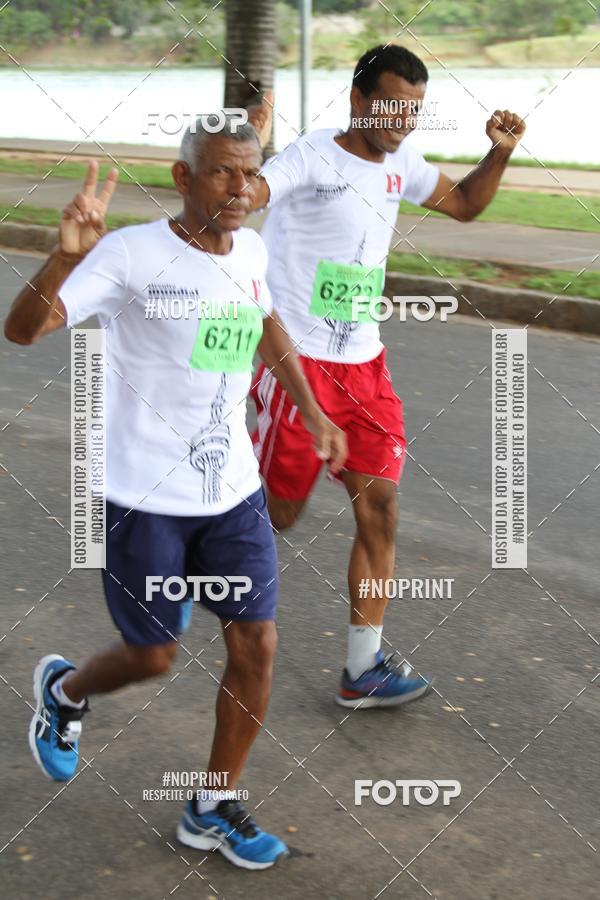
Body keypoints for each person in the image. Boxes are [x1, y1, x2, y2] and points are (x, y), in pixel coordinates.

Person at [4, 116, 346, 869]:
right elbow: (23, 330)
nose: (242, 188)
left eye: (252, 172)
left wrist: (313, 411)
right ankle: (64, 693)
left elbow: (265, 323)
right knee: (153, 655)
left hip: (232, 493)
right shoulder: (130, 255)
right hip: (144, 495)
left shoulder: (250, 248)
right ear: (183, 178)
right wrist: (62, 261)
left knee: (256, 644)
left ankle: (211, 805)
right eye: (223, 172)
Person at [249, 44, 525, 708]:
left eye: (413, 109)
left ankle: (362, 669)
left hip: (365, 368)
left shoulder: (402, 160)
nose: (402, 120)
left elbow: (462, 204)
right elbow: (256, 190)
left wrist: (500, 152)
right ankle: (183, 523)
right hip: (298, 368)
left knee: (382, 509)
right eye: (391, 104)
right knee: (279, 516)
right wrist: (244, 150)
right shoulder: (312, 156)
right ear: (357, 99)